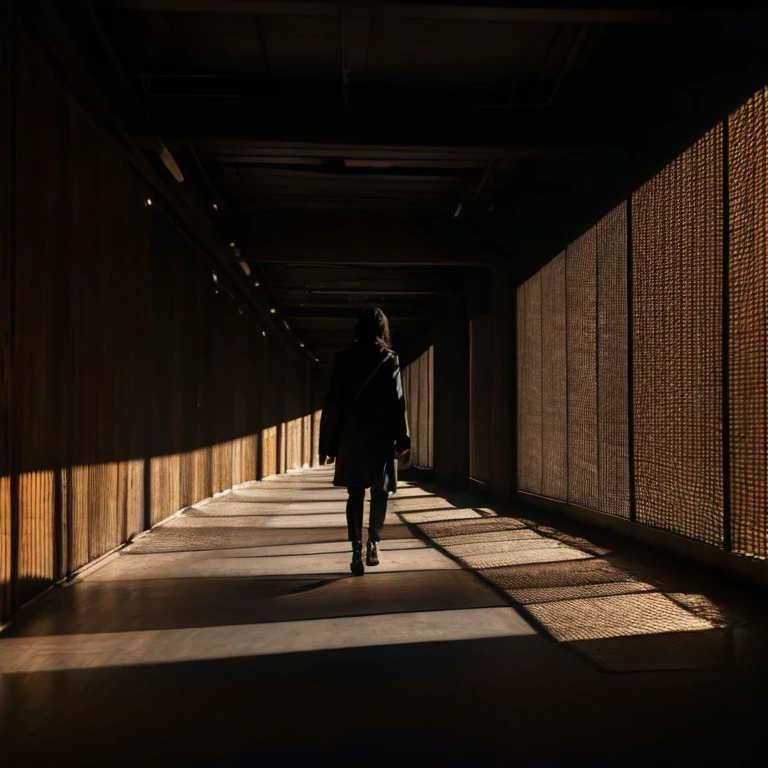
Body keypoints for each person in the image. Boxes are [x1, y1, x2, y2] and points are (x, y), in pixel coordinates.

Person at [319, 307, 411, 576]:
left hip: (352, 436)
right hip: (381, 436)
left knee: (355, 493)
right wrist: (402, 438)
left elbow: (333, 404)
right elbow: (397, 402)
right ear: (383, 329)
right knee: (379, 493)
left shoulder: (344, 359)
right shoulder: (388, 360)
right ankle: (374, 544)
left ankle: (355, 549)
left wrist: (330, 445)